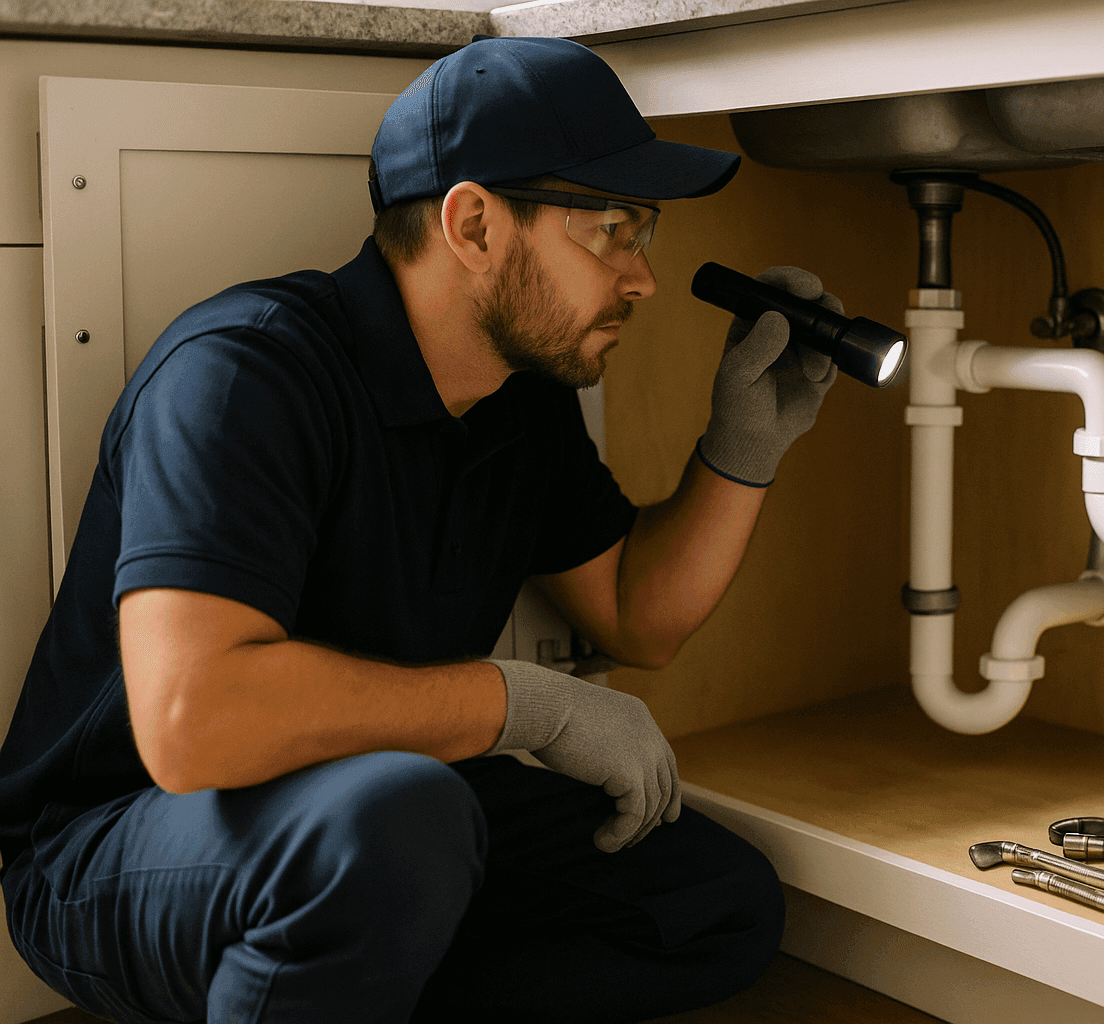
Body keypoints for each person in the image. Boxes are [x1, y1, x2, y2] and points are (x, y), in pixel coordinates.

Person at [0, 36, 840, 1023]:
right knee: (400, 821)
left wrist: (743, 446)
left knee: (714, 904)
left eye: (642, 230)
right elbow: (194, 724)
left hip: (387, 815)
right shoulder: (241, 373)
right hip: (127, 836)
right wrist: (526, 706)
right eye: (612, 228)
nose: (643, 277)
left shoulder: (522, 401)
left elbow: (636, 614)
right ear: (474, 224)